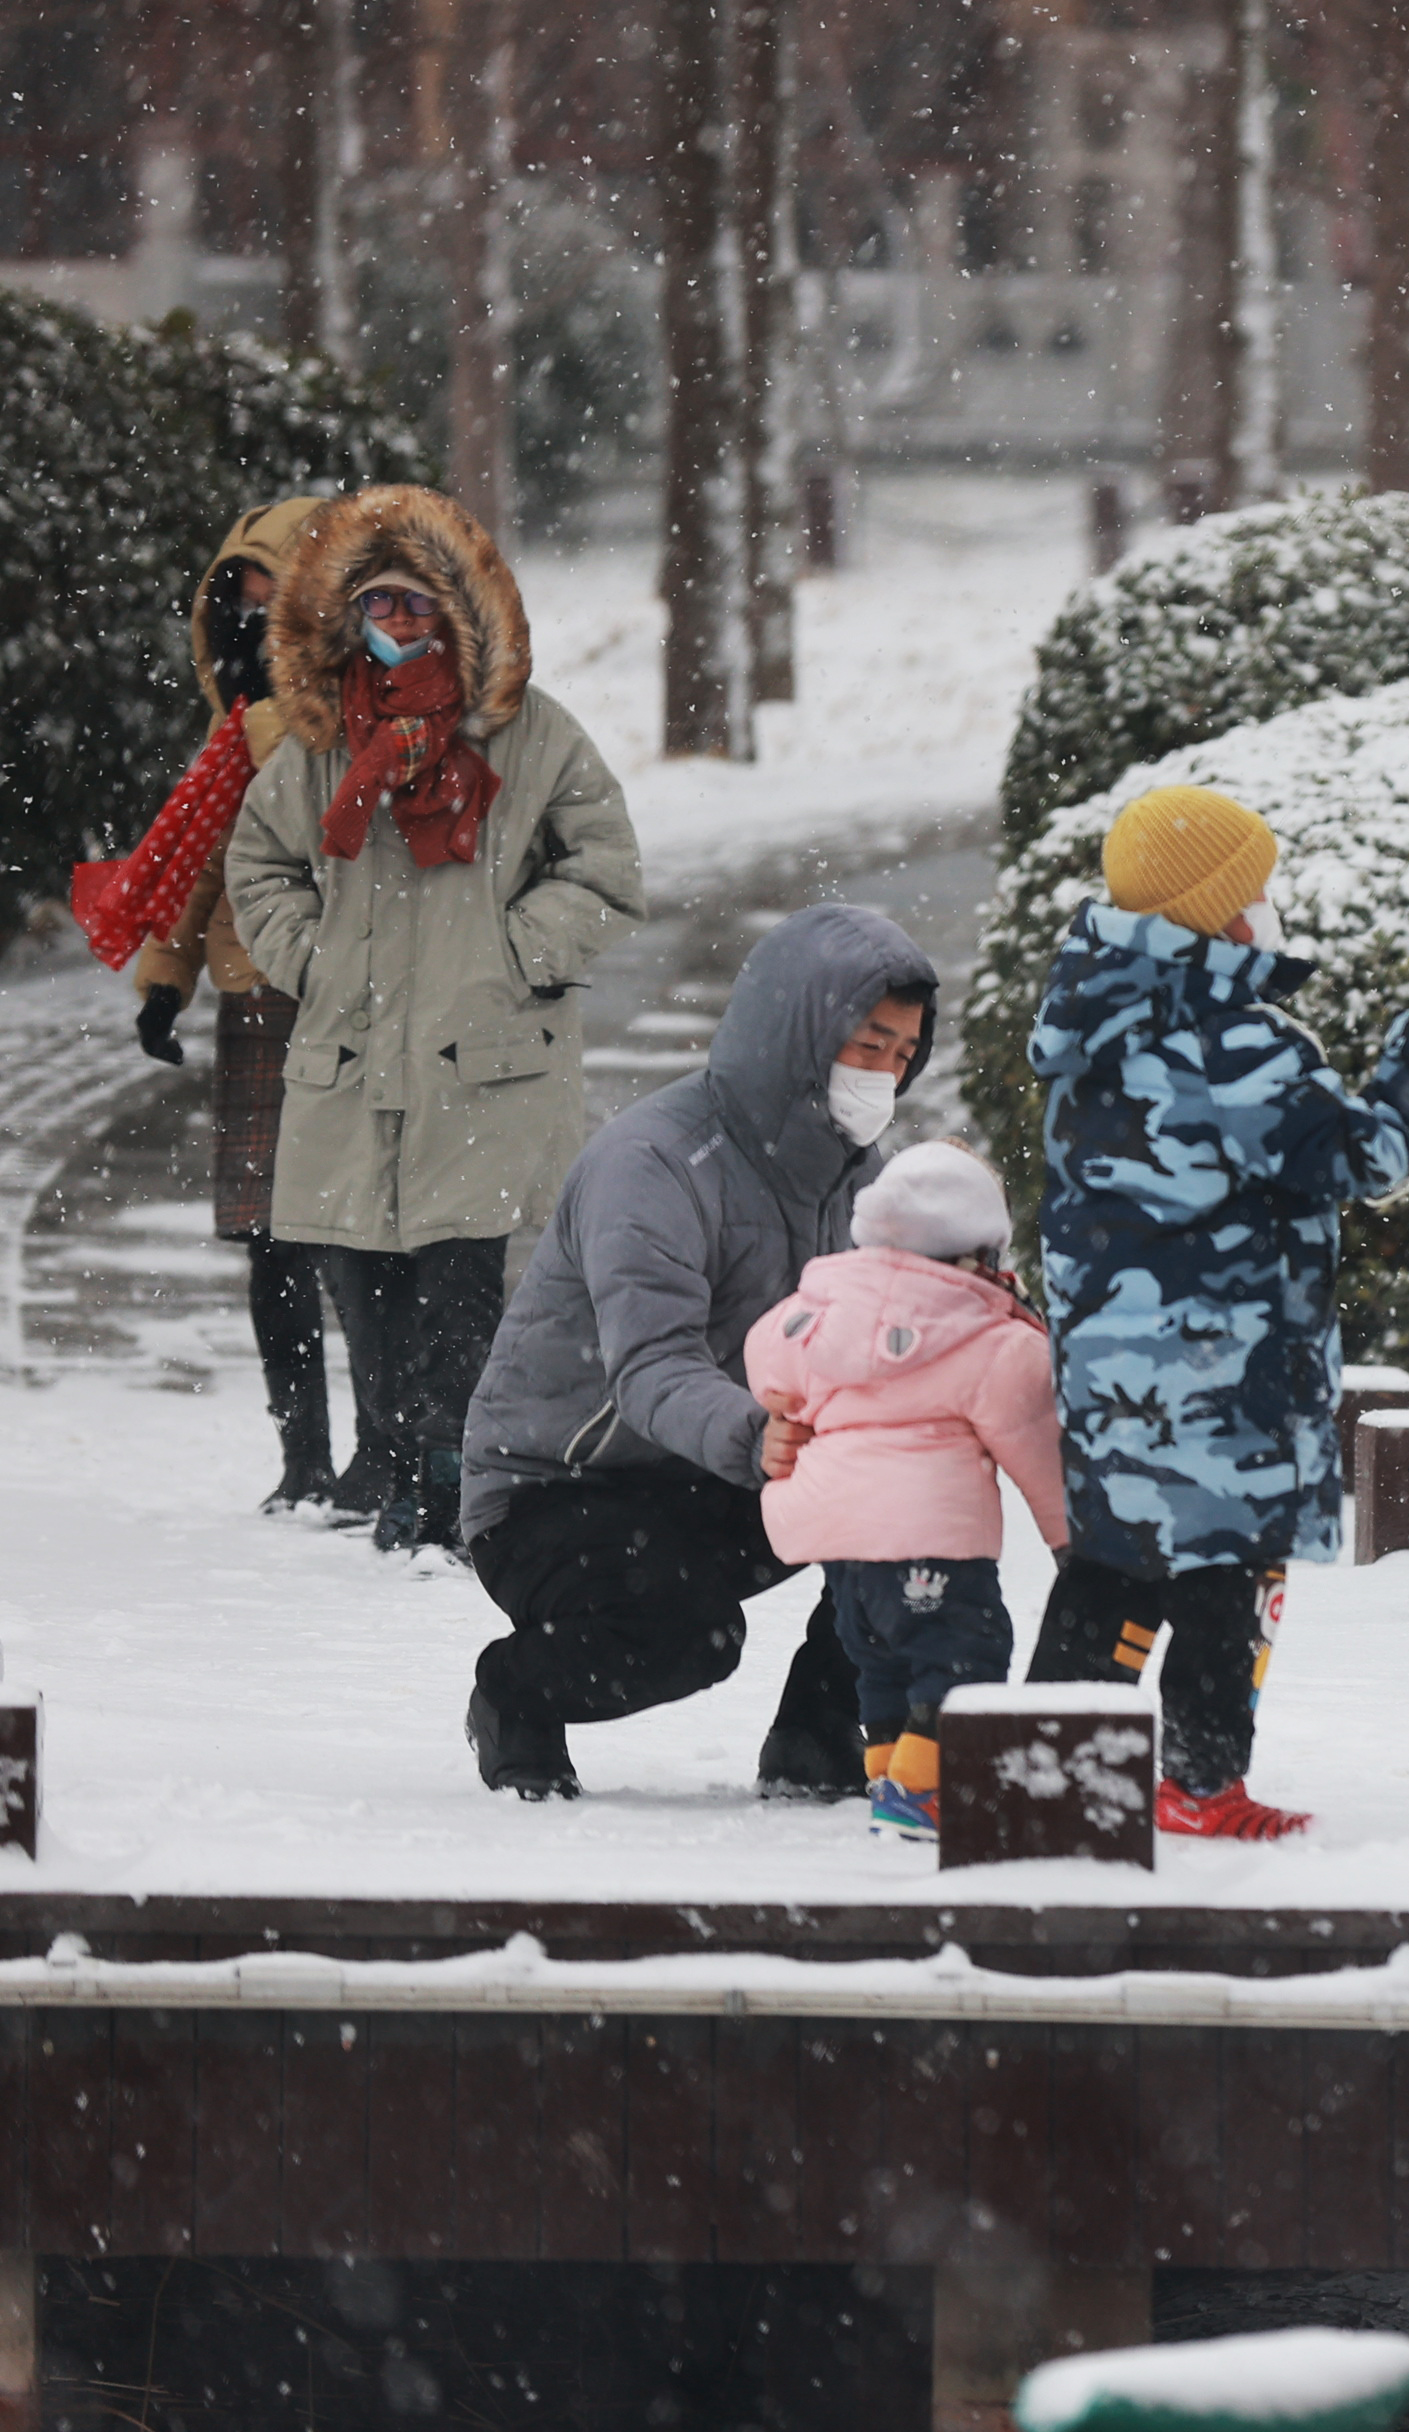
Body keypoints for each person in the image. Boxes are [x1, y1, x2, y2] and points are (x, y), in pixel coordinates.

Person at [1023, 785, 1409, 1840]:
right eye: (1257, 889)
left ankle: (1047, 1770)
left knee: (1112, 1562)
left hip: (1110, 1361)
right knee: (1224, 1570)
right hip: (1221, 1365)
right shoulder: (1232, 1042)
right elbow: (1368, 1155)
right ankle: (1197, 1778)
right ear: (1219, 915)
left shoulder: (1091, 1026)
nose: (1270, 904)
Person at [225, 485, 644, 1557]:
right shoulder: (317, 742)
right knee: (364, 1290)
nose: (398, 627)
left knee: (462, 1296)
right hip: (354, 1066)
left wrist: (516, 953)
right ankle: (399, 1464)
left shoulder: (535, 738)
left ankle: (453, 1482)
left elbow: (604, 867)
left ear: (458, 615)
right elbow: (259, 864)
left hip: (484, 1068)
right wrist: (310, 958)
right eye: (379, 606)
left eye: (417, 607)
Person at [457, 903, 938, 1802]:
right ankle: (514, 1692)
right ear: (800, 1032)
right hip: (557, 1489)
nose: (885, 1074)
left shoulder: (863, 1176)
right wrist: (755, 1433)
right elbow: (649, 1364)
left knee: (914, 1506)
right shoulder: (656, 1162)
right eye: (869, 1046)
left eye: (903, 1056)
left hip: (720, 1473)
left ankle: (819, 1743)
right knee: (692, 1638)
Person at [67, 496, 376, 1518]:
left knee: (358, 1235)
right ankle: (304, 1456)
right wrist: (166, 980)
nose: (246, 614)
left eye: (268, 592)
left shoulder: (359, 712)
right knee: (270, 1240)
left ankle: (384, 1448)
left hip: (346, 994)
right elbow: (199, 860)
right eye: (232, 594)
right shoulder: (230, 728)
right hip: (255, 1000)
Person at [744, 1140, 1070, 1846]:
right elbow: (1037, 1449)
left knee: (883, 1665)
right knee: (963, 1652)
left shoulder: (814, 1312)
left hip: (841, 1546)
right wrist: (1072, 1539)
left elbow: (766, 1361)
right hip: (931, 1539)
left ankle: (892, 1780)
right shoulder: (991, 1340)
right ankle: (924, 1794)